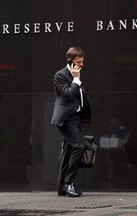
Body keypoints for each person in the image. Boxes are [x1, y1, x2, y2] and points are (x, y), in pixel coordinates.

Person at [51, 47, 91, 197]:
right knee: (79, 147)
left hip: (76, 119)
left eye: (82, 61)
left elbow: (79, 97)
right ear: (70, 61)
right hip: (65, 119)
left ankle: (61, 186)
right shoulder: (60, 75)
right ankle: (69, 183)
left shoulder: (77, 74)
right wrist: (75, 79)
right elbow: (68, 94)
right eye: (79, 61)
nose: (82, 64)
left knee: (69, 151)